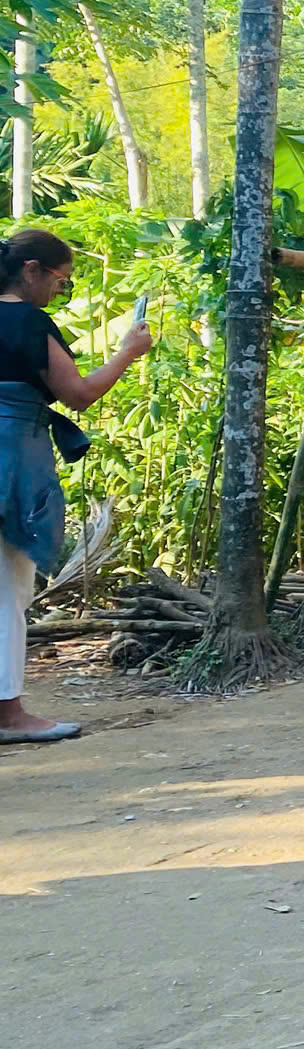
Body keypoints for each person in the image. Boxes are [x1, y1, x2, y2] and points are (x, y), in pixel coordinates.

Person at [0, 230, 149, 745]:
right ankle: (9, 714)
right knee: (8, 585)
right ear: (32, 270)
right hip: (11, 460)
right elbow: (79, 395)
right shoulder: (27, 322)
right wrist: (128, 352)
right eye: (60, 281)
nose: (57, 292)